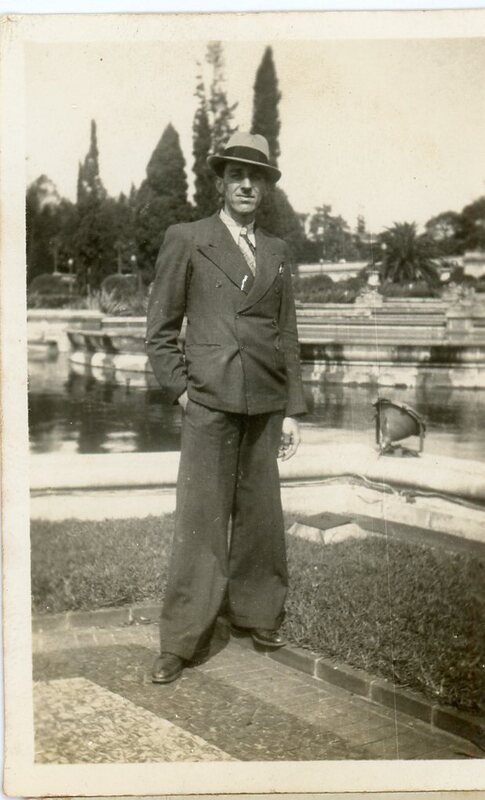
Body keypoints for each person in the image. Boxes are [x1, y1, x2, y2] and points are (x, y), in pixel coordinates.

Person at [146, 131, 307, 684]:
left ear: (266, 188)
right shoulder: (188, 238)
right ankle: (181, 639)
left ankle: (257, 614)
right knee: (201, 521)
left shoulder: (278, 251)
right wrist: (182, 391)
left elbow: (286, 334)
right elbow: (160, 331)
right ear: (221, 183)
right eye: (237, 175)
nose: (246, 185)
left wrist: (292, 409)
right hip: (209, 401)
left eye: (255, 177)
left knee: (261, 516)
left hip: (264, 399)